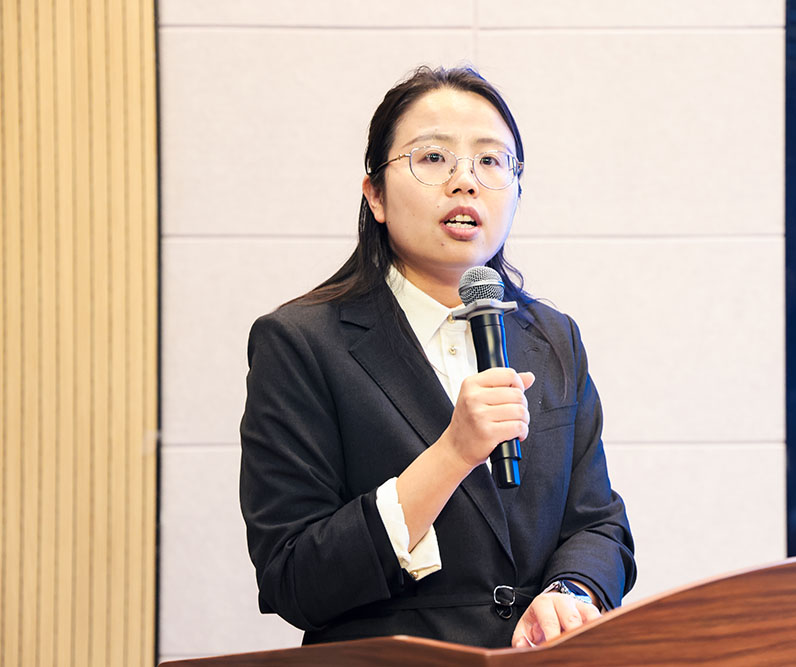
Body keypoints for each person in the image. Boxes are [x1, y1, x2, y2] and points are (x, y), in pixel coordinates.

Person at [239, 65, 636, 650]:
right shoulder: (301, 343)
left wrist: (571, 591)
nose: (465, 182)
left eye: (491, 161)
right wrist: (453, 453)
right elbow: (293, 577)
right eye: (432, 158)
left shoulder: (553, 338)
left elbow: (599, 524)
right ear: (375, 195)